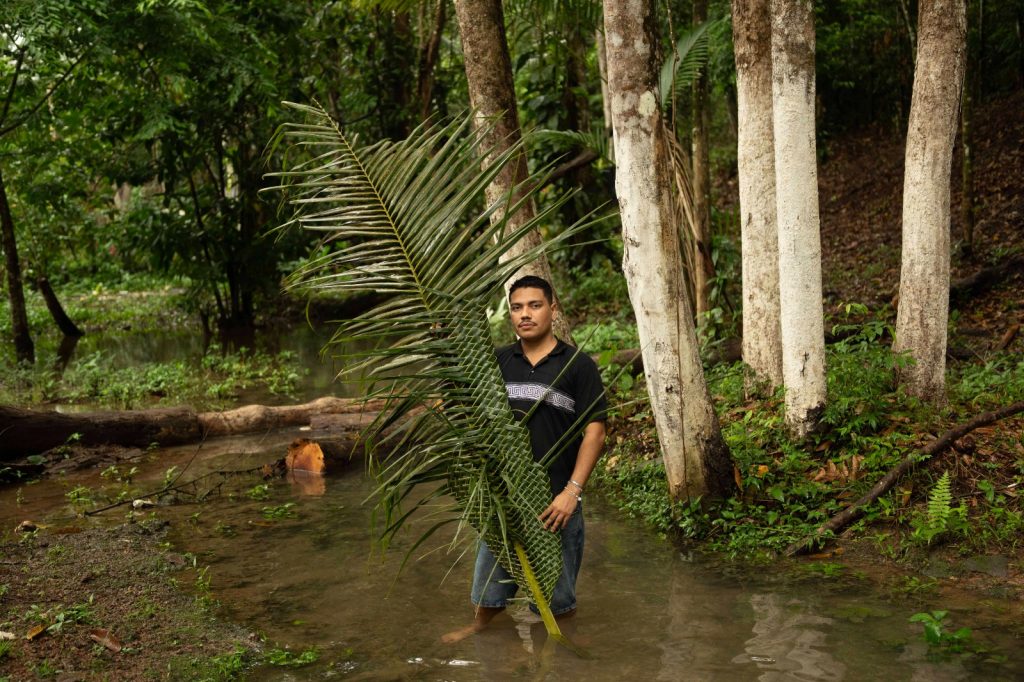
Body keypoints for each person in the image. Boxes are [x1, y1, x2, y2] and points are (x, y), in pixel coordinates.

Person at [442, 275, 607, 643]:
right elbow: (466, 414)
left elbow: (595, 432)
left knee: (557, 599)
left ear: (553, 308)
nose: (525, 314)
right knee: (487, 590)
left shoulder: (578, 366)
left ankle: (560, 651)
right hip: (503, 500)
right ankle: (480, 630)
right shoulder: (496, 363)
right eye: (517, 307)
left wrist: (572, 492)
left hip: (555, 503)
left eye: (534, 305)